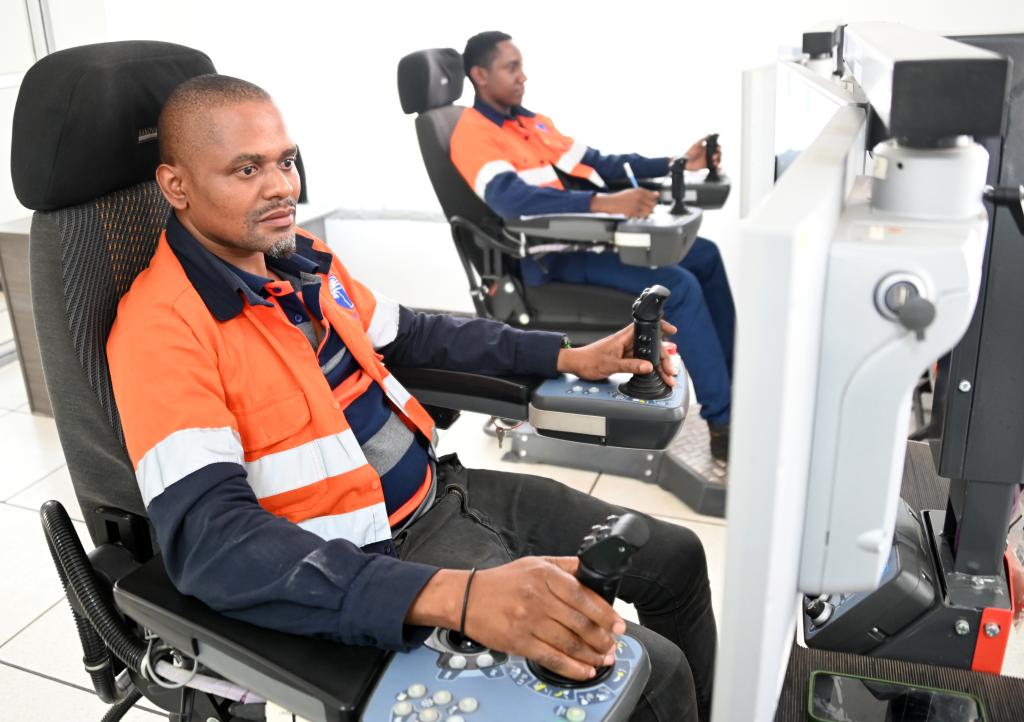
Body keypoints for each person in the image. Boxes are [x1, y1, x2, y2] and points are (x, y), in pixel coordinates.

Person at [106, 74, 717, 722]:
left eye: (286, 161)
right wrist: (459, 597)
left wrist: (566, 355)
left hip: (442, 494)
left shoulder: (301, 261)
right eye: (247, 169)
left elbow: (420, 334)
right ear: (177, 186)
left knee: (677, 558)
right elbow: (212, 543)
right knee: (653, 675)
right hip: (371, 559)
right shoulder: (161, 329)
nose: (283, 186)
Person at [450, 31, 735, 461]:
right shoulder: (472, 133)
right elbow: (512, 200)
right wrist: (604, 203)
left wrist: (678, 163)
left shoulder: (532, 123)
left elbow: (600, 164)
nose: (523, 76)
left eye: (521, 66)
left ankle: (733, 385)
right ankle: (724, 423)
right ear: (480, 75)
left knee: (705, 254)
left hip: (588, 240)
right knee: (677, 286)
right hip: (551, 259)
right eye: (512, 67)